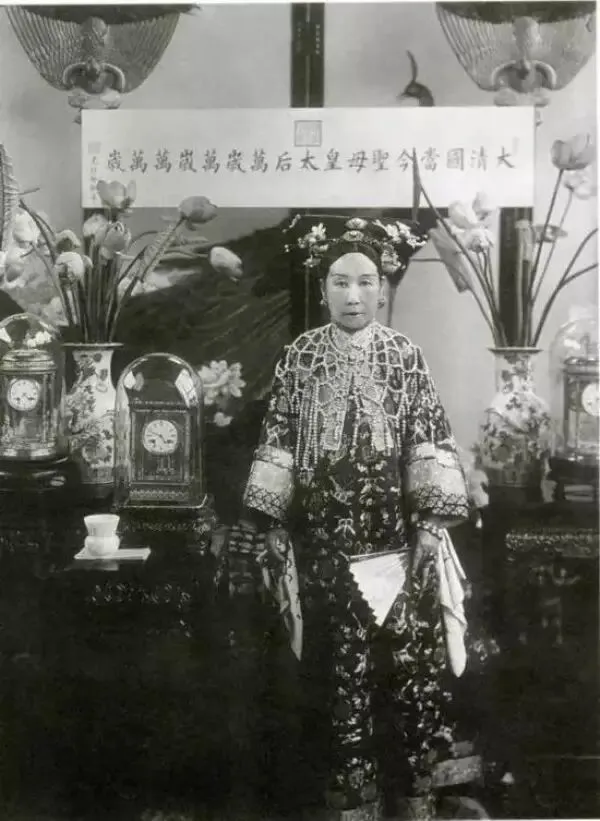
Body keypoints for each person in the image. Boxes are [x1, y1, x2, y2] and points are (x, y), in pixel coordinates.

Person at [241, 217, 472, 820]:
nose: (353, 295)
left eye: (365, 282)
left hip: (396, 543)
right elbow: (279, 438)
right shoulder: (300, 357)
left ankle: (410, 796)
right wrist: (272, 524)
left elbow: (428, 438)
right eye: (340, 282)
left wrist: (430, 525)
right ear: (323, 289)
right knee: (335, 668)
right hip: (323, 545)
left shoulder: (404, 356)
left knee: (402, 667)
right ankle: (349, 800)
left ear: (383, 289)